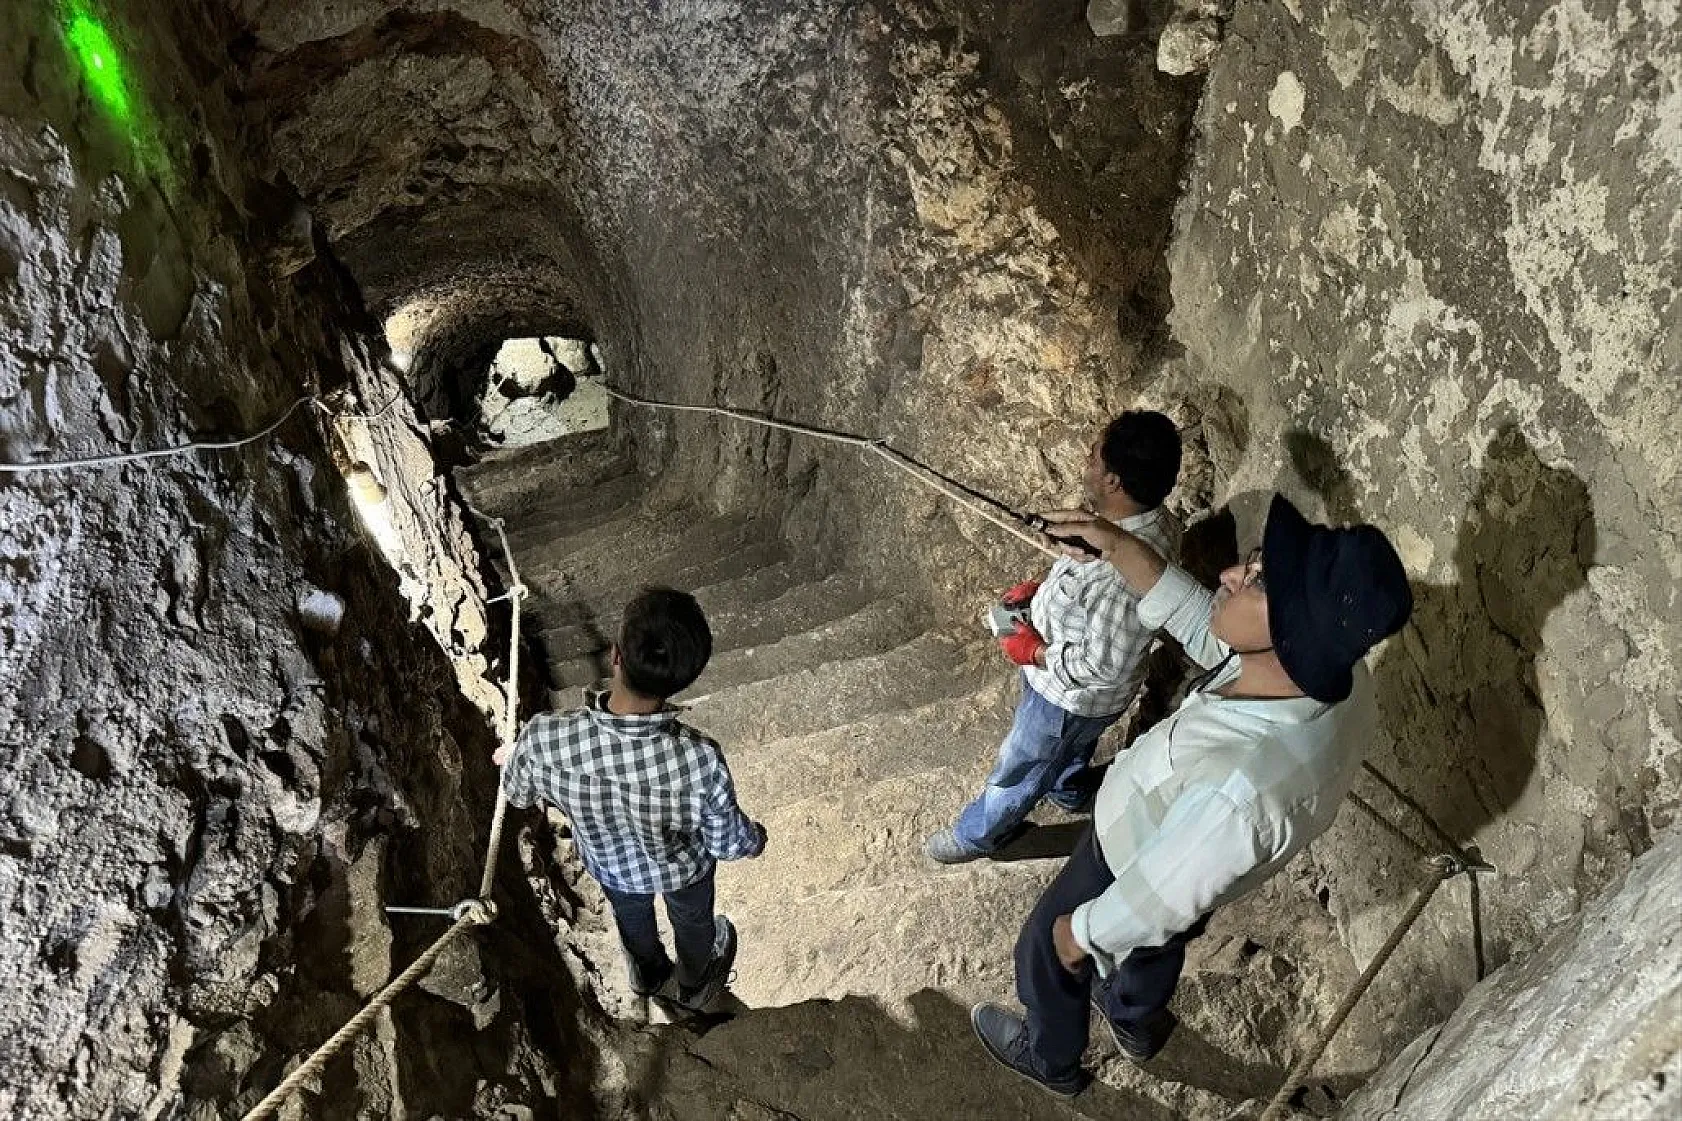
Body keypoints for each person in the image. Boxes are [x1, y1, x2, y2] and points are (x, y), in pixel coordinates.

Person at [969, 495, 1413, 1098]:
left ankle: (1051, 1060)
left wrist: (1084, 935)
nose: (1230, 575)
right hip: (1198, 860)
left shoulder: (1249, 789)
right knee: (1166, 938)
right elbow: (1208, 625)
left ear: (1288, 636)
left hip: (1129, 856)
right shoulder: (1324, 676)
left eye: (1254, 582)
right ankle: (1134, 1018)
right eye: (1251, 564)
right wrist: (1118, 545)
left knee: (1047, 950)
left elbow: (1158, 894)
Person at [925, 410, 1183, 863]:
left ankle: (979, 835)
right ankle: (1070, 790)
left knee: (1020, 767)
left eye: (1093, 456)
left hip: (1066, 699)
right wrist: (1043, 594)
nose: (1086, 461)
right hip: (1077, 700)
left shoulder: (1120, 581)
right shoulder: (1145, 522)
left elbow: (1102, 666)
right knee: (1070, 748)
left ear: (1114, 483)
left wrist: (1036, 651)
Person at [499, 586, 767, 1010]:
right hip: (685, 872)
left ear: (616, 656)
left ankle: (647, 974)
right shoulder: (700, 760)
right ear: (684, 679)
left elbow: (516, 794)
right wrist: (755, 839)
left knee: (632, 917)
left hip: (612, 867)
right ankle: (695, 981)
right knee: (694, 921)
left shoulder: (544, 740)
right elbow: (727, 844)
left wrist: (519, 755)